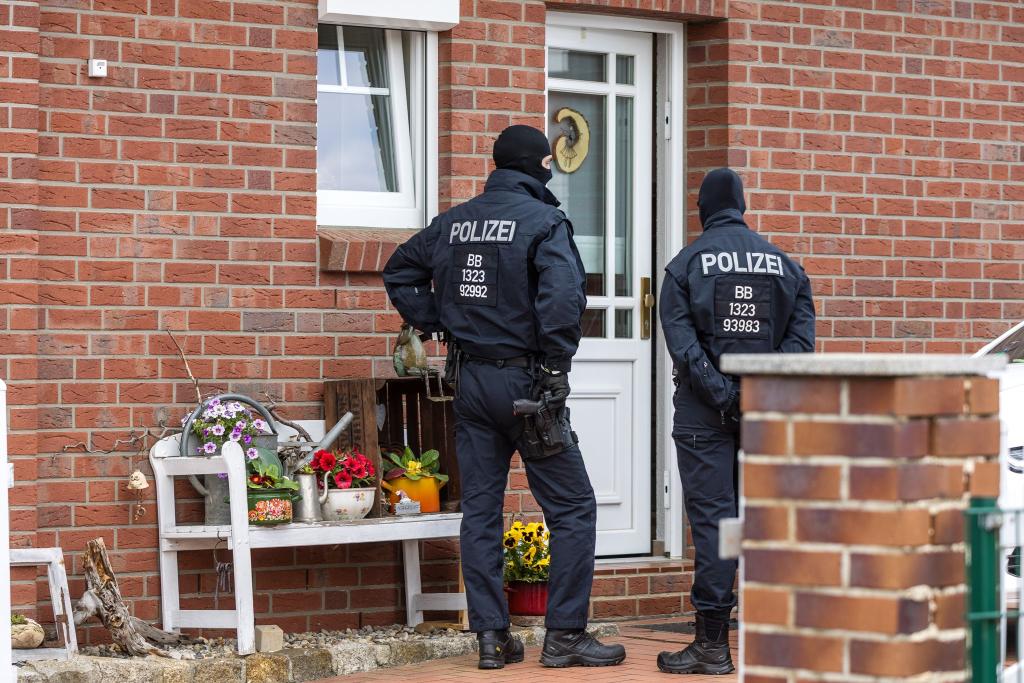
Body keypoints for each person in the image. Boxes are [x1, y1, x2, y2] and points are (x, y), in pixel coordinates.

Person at [382, 125, 626, 670]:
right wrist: (556, 367)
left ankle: (492, 639)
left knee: (482, 514)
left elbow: (400, 268)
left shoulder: (454, 221)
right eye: (549, 162)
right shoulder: (545, 221)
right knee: (572, 508)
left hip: (470, 385)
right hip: (528, 389)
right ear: (538, 165)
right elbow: (563, 298)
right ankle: (564, 636)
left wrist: (437, 320)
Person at [657, 168, 816, 675]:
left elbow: (684, 348)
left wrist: (723, 392)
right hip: (767, 413)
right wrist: (757, 388)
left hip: (706, 415)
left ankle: (711, 646)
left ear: (703, 209)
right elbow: (800, 344)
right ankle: (785, 641)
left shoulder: (683, 267)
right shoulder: (786, 267)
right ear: (742, 206)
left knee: (716, 525)